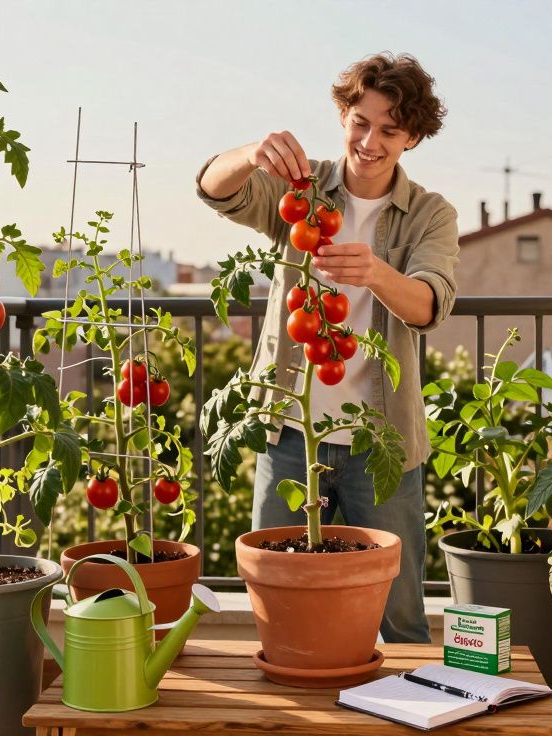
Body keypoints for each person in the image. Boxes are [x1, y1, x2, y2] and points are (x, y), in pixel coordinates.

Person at [195, 52, 459, 643]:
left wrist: (375, 273)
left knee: (400, 615)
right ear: (343, 115)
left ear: (412, 138)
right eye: (360, 122)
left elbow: (429, 305)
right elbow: (214, 189)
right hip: (290, 431)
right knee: (279, 604)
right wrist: (252, 153)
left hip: (381, 442)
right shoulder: (302, 188)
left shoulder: (429, 214)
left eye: (389, 130)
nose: (370, 142)